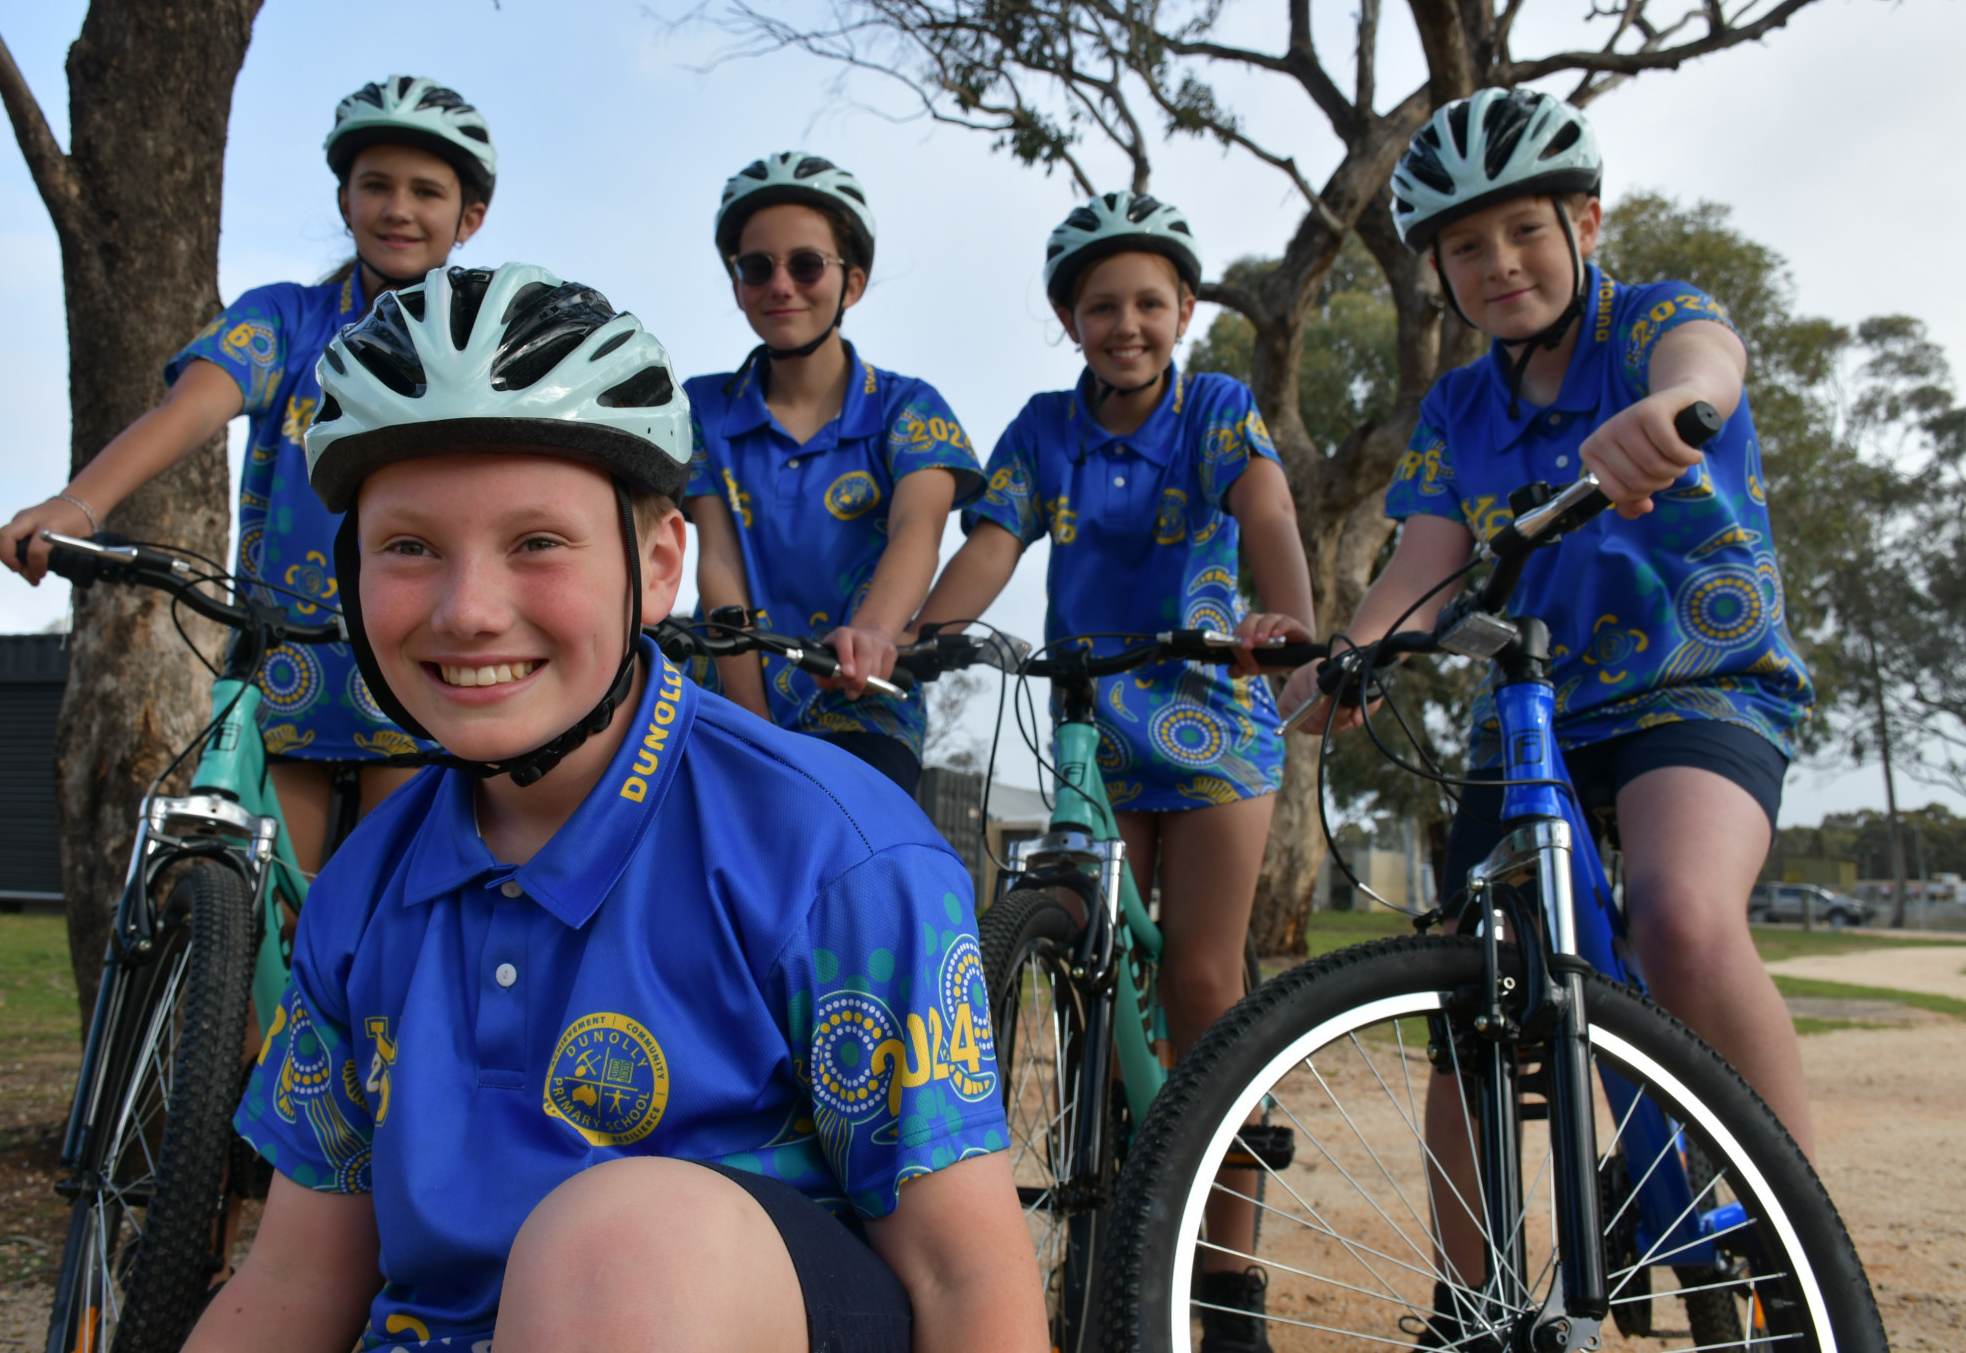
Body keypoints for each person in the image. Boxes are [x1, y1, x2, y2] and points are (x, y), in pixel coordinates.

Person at [181, 263, 1045, 1353]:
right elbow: (294, 1282)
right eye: (407, 548)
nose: (468, 611)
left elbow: (967, 1285)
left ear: (656, 565)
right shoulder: (361, 888)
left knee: (620, 1245)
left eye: (536, 543)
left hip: (710, 1304)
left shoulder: (833, 854)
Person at [1275, 87, 1816, 1338]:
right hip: (1532, 708)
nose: (1496, 262)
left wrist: (1668, 414)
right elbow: (1421, 570)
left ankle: (1790, 1233)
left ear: (1584, 219)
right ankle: (1469, 1299)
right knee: (1465, 996)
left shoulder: (1649, 326)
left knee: (1680, 916)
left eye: (1521, 229)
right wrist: (1348, 662)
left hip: (1697, 681)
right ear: (1436, 272)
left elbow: (1710, 366)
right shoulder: (1457, 408)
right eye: (1463, 246)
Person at [913, 191, 1316, 1353]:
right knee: (1094, 966)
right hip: (1093, 715)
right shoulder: (1043, 429)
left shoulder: (1218, 409)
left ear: (1183, 310)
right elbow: (989, 544)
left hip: (1214, 714)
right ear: (1066, 318)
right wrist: (920, 640)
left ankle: (1226, 1271)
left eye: (1148, 303)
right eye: (1101, 306)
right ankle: (1104, 1219)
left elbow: (1266, 507)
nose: (1125, 324)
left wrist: (1284, 614)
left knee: (1195, 978)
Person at [0, 74, 499, 871]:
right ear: (344, 201)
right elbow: (185, 413)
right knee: (255, 902)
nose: (398, 208)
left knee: (388, 917)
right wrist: (77, 504)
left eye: (426, 191)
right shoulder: (282, 319)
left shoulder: (478, 341)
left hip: (418, 657)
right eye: (376, 185)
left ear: (469, 217)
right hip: (285, 662)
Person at [683, 152, 983, 797]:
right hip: (734, 695)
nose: (780, 285)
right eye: (756, 267)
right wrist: (751, 722)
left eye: (807, 264)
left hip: (862, 694)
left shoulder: (909, 406)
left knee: (859, 868)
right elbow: (719, 560)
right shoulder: (700, 407)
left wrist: (873, 636)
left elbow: (916, 529)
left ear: (852, 283)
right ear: (736, 282)